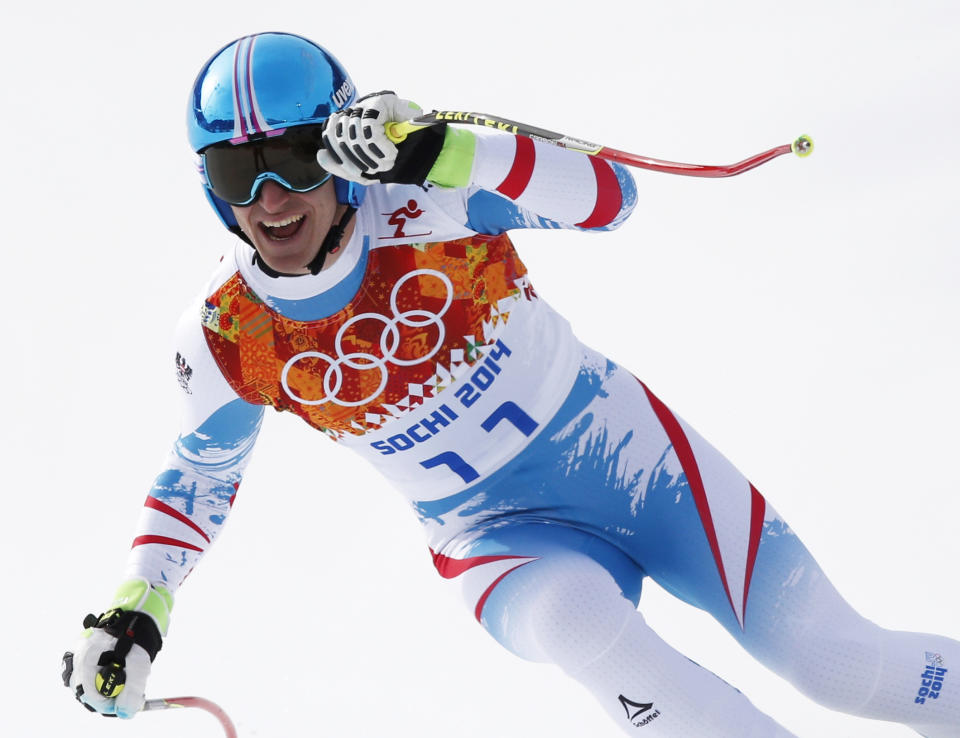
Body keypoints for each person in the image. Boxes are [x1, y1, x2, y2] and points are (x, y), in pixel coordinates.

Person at [61, 31, 958, 736]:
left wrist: (449, 151)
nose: (269, 199)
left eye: (293, 160)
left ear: (340, 149)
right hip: (491, 537)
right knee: (576, 623)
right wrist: (140, 608)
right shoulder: (226, 334)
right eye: (233, 172)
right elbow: (198, 478)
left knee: (841, 665)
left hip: (629, 459)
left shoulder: (431, 198)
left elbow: (611, 200)